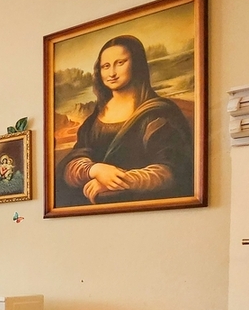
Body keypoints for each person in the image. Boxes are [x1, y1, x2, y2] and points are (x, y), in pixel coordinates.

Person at [57, 35, 194, 205]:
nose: (112, 73)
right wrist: (94, 169)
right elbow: (71, 164)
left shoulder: (160, 113)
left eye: (120, 63)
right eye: (106, 66)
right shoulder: (93, 120)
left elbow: (172, 171)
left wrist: (117, 181)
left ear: (136, 64)